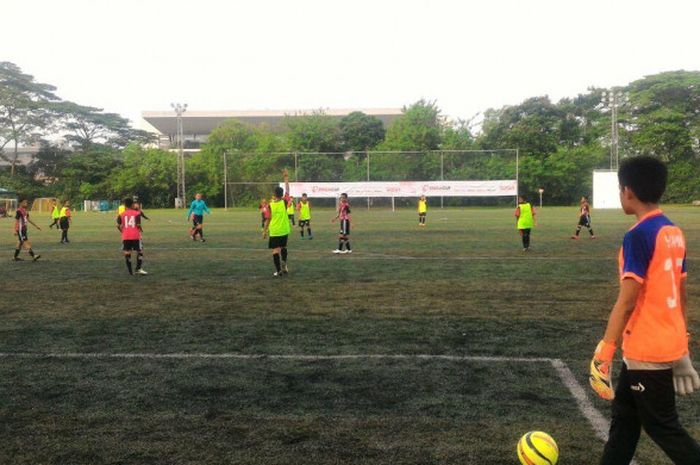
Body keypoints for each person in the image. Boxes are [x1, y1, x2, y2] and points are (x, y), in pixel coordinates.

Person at [589, 156, 700, 465]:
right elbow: (681, 297)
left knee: (663, 427)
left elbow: (626, 302)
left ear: (628, 191)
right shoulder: (673, 232)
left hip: (647, 349)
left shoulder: (638, 235)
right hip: (660, 344)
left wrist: (604, 353)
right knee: (624, 421)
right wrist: (682, 348)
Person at [262, 169, 291, 277]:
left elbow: (268, 219)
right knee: (283, 247)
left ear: (274, 194)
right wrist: (286, 177)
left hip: (274, 230)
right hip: (284, 229)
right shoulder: (284, 202)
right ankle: (284, 262)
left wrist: (264, 231)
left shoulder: (270, 205)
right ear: (282, 194)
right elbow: (288, 189)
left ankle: (278, 270)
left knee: (275, 250)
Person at [116, 197, 147, 275]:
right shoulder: (137, 213)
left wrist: (122, 231)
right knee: (140, 251)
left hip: (126, 236)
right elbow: (138, 224)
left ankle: (130, 271)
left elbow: (117, 225)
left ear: (125, 205)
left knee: (127, 253)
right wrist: (140, 229)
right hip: (135, 235)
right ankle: (138, 268)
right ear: (132, 204)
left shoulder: (121, 214)